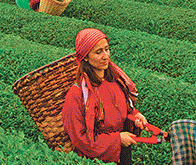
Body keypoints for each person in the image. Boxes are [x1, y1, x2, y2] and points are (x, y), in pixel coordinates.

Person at [61, 28, 148, 164]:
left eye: (106, 49)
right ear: (85, 57)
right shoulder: (76, 94)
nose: (106, 56)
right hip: (98, 159)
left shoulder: (115, 82)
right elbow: (80, 139)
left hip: (123, 152)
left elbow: (125, 112)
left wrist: (135, 117)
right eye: (98, 52)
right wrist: (117, 139)